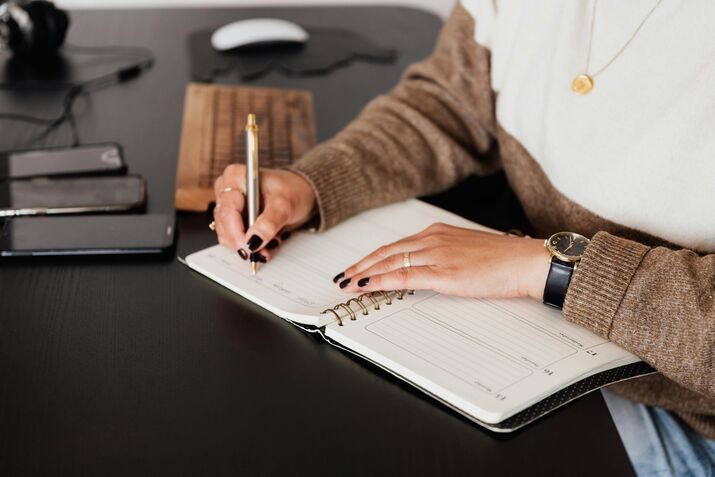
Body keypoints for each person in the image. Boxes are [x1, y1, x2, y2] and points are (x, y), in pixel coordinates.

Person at [211, 1, 714, 474]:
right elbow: (450, 103)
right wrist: (312, 183)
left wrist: (550, 267)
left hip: (688, 420)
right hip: (554, 345)